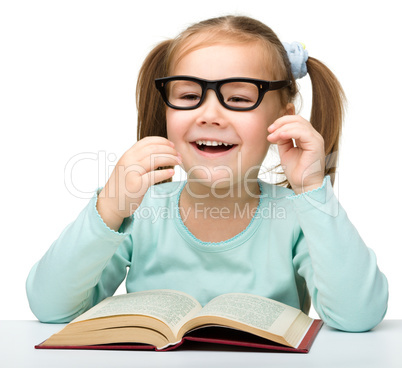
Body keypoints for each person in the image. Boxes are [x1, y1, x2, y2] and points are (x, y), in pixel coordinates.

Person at [26, 15, 388, 332]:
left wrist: (312, 190)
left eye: (240, 98)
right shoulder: (140, 208)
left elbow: (357, 315)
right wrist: (108, 207)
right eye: (187, 96)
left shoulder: (297, 213)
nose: (210, 115)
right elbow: (52, 307)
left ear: (283, 119)